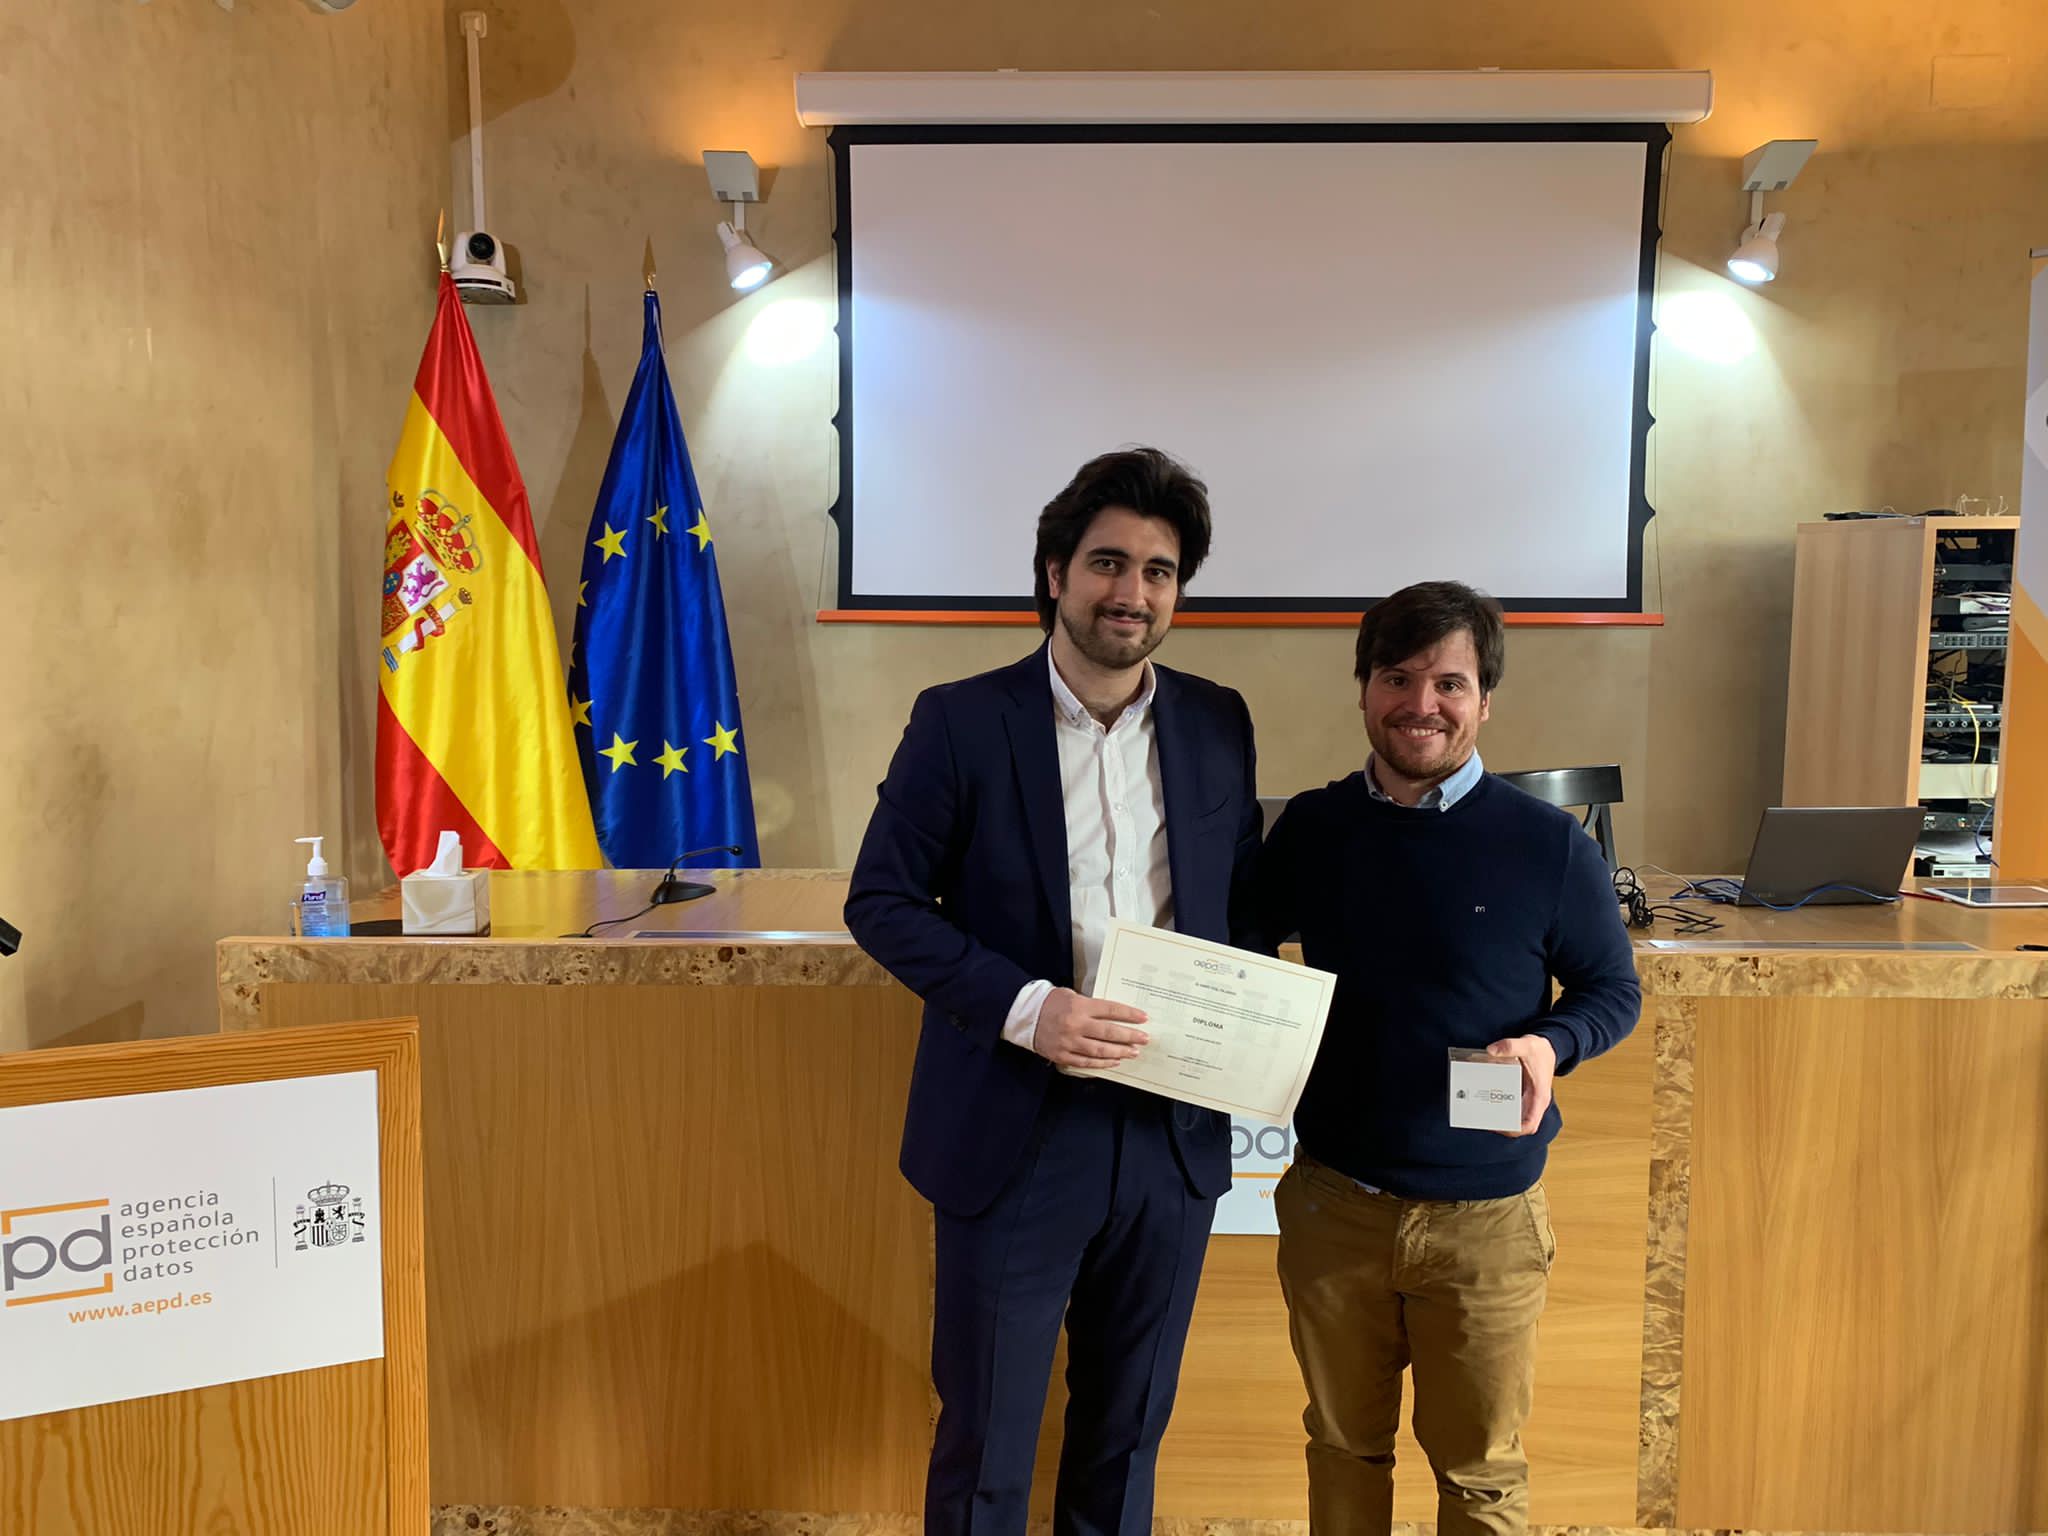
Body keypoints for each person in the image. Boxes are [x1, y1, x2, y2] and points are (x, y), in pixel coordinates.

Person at [845, 446, 1261, 1536]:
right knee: (987, 1442)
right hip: (1017, 1127)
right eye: (1108, 563)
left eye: (1159, 572)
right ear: (1055, 574)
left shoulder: (1218, 722)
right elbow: (881, 901)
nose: (1133, 592)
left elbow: (1239, 906)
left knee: (1126, 1441)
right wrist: (1033, 1010)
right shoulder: (961, 720)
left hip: (1170, 1134)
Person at [1249, 580, 1640, 1536]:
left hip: (1487, 1226)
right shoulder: (1315, 829)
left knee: (1481, 1478)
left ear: (1484, 700)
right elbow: (1230, 948)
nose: (1421, 703)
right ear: (1364, 689)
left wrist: (1551, 1044)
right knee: (1344, 1450)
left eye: (1449, 683)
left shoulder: (1549, 846)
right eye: (1398, 677)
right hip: (1335, 1206)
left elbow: (1611, 991)